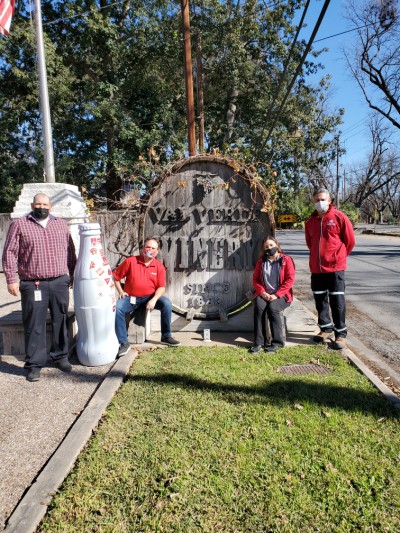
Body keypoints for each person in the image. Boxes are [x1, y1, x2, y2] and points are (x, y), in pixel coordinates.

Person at [2, 193, 76, 382]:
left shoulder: (60, 224)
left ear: (50, 207)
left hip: (60, 281)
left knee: (60, 319)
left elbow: (70, 251)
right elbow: (10, 253)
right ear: (32, 205)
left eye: (45, 204)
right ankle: (34, 365)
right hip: (33, 284)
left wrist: (73, 274)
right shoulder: (19, 224)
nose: (41, 207)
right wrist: (11, 279)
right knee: (34, 324)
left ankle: (60, 357)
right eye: (38, 204)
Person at [113, 237, 180, 357]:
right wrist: (120, 291)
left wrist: (154, 299)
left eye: (153, 248)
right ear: (143, 248)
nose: (150, 249)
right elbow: (116, 277)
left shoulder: (159, 266)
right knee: (118, 307)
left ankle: (166, 336)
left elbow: (161, 287)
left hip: (150, 298)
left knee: (167, 304)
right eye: (148, 247)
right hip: (131, 298)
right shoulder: (131, 261)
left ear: (157, 251)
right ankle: (123, 343)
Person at [305, 187, 355, 350]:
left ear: (329, 201)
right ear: (313, 202)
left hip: (335, 268)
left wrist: (338, 257)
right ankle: (325, 328)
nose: (320, 202)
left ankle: (340, 334)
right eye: (317, 200)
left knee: (337, 301)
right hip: (317, 269)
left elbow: (350, 241)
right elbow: (310, 243)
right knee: (320, 301)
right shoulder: (310, 222)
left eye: (323, 199)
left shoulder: (339, 217)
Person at [250, 235, 296, 353]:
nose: (269, 248)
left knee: (273, 308)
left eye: (271, 245)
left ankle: (277, 342)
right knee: (259, 308)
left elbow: (290, 280)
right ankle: (260, 342)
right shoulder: (261, 262)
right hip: (264, 293)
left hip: (282, 295)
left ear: (277, 246)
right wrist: (262, 292)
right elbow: (255, 280)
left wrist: (276, 295)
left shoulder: (286, 260)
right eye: (266, 246)